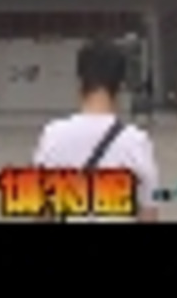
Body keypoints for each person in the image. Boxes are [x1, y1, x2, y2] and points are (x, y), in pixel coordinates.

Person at [32, 39, 159, 222]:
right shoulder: (137, 142)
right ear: (120, 86)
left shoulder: (53, 135)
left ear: (79, 82)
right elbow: (149, 215)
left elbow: (42, 214)